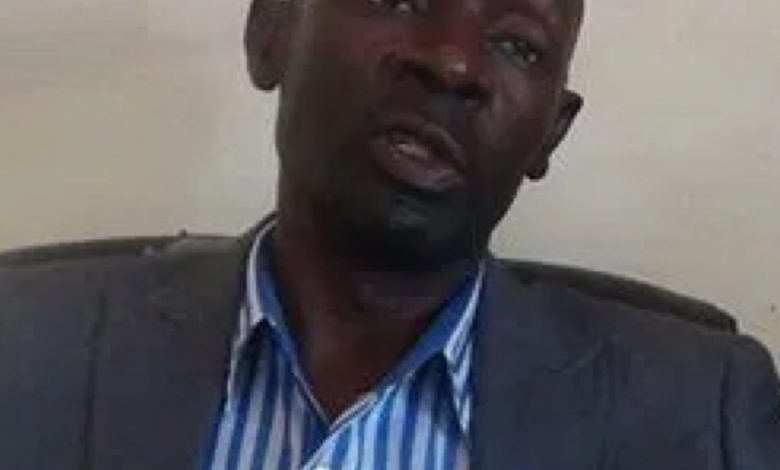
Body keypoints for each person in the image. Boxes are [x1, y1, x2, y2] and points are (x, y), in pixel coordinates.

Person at [1, 0, 778, 468]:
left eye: (518, 44)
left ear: (551, 131)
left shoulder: (703, 414)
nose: (452, 63)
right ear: (272, 29)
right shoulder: (26, 346)